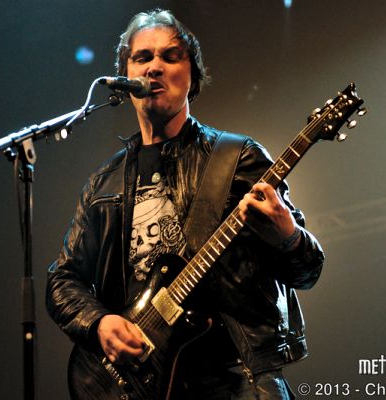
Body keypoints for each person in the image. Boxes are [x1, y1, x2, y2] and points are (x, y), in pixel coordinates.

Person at [46, 9, 324, 400]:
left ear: (192, 74)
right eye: (142, 58)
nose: (154, 67)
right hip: (140, 382)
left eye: (170, 56)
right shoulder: (104, 182)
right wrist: (100, 323)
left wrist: (289, 237)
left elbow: (308, 270)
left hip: (235, 380)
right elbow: (62, 279)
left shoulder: (236, 158)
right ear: (125, 76)